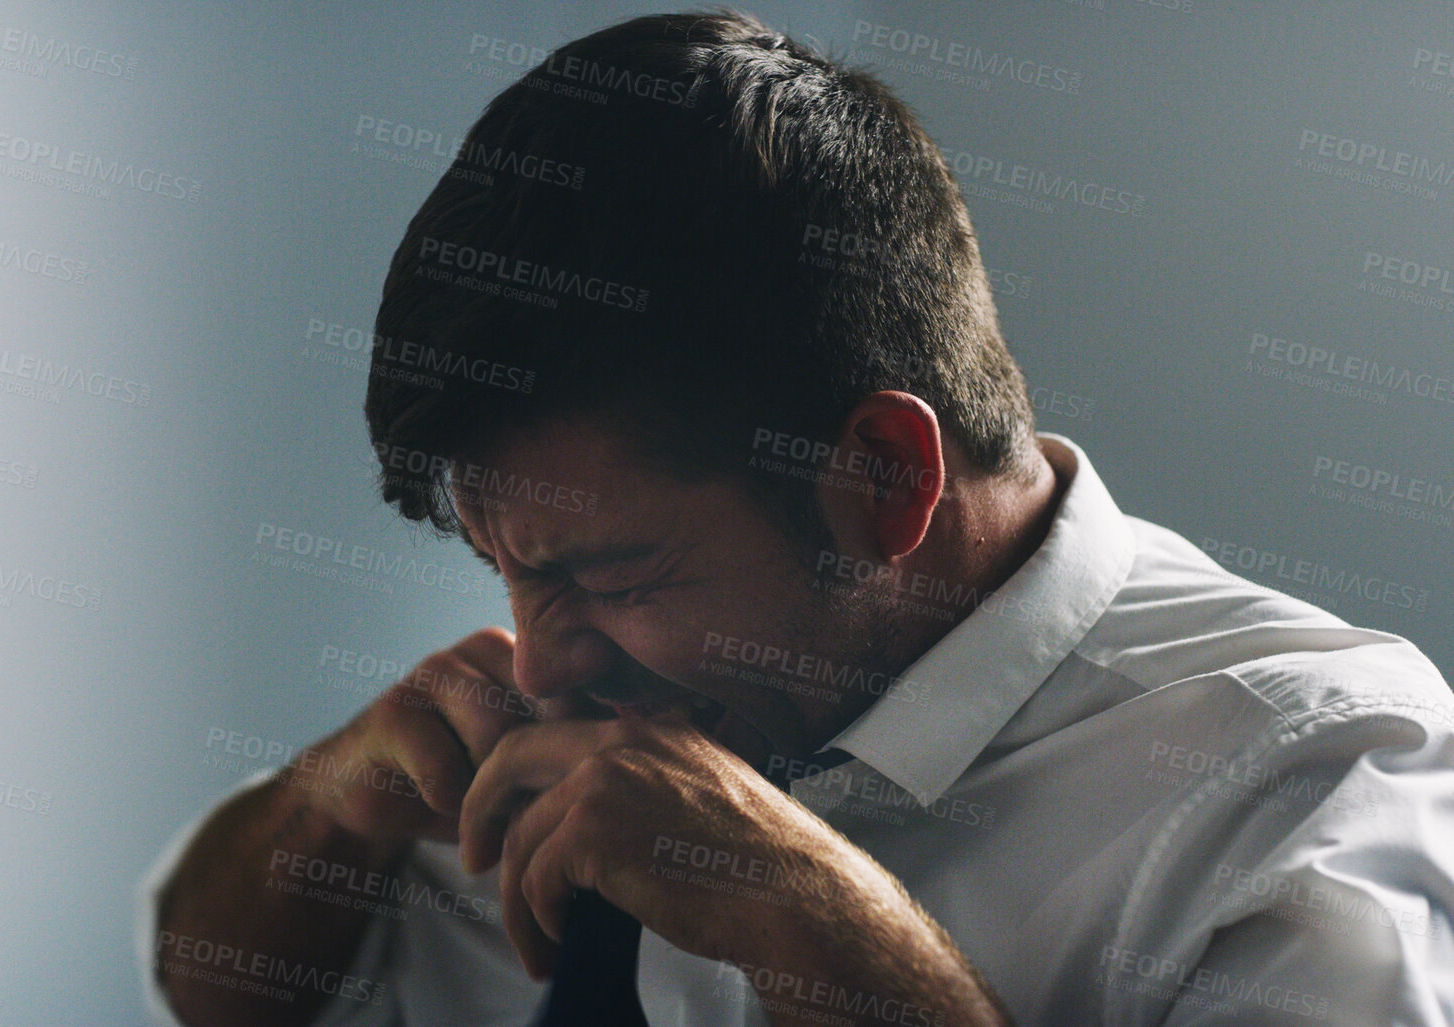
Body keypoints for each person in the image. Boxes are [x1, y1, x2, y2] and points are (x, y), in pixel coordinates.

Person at [140, 10, 1454, 1025]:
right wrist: (327, 811)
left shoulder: (1317, 780)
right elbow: (212, 983)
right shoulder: (569, 728)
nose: (537, 658)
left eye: (611, 572)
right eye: (502, 571)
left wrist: (811, 923)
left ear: (884, 477)